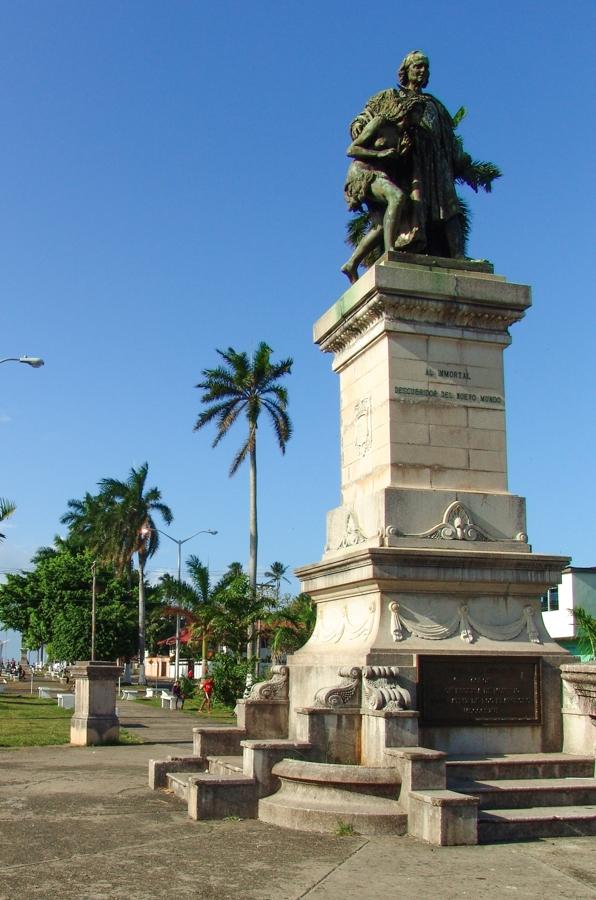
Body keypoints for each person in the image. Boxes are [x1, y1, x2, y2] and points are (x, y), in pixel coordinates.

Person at [349, 51, 475, 260]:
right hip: (409, 163)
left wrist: (459, 156)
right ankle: (406, 248)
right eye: (417, 66)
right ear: (405, 71)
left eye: (425, 67)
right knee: (414, 206)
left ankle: (458, 256)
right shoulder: (391, 96)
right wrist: (359, 127)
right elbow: (366, 118)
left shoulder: (435, 104)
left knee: (450, 207)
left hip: (437, 162)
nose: (422, 71)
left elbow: (449, 137)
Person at [341, 92, 425, 283]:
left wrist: (400, 154)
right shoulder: (381, 123)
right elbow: (352, 149)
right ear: (407, 110)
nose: (419, 118)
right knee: (397, 197)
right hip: (362, 173)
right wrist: (380, 155)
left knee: (379, 226)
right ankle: (390, 252)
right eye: (418, 112)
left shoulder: (403, 136)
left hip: (380, 175)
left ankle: (351, 264)